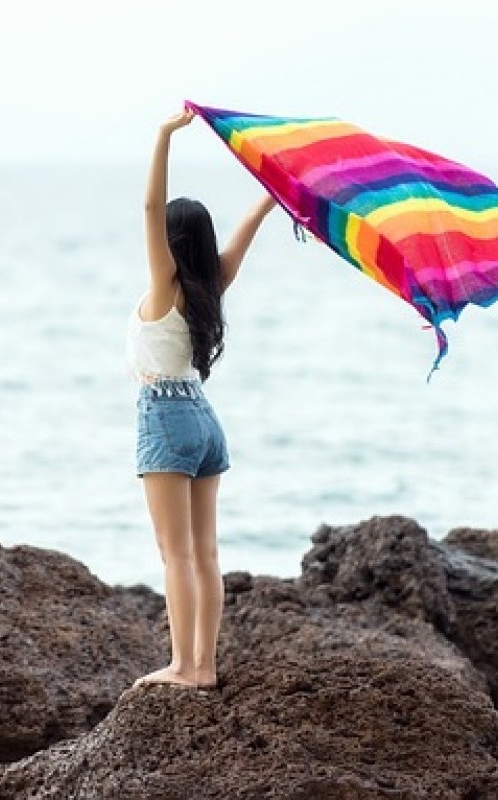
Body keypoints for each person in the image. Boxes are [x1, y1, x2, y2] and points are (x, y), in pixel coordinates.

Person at [126, 107, 277, 689]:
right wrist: (272, 195)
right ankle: (205, 666)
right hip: (206, 422)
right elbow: (246, 229)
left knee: (175, 556)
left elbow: (146, 208)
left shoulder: (165, 289)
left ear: (168, 242)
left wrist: (162, 136)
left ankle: (185, 667)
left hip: (165, 416)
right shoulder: (211, 284)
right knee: (205, 553)